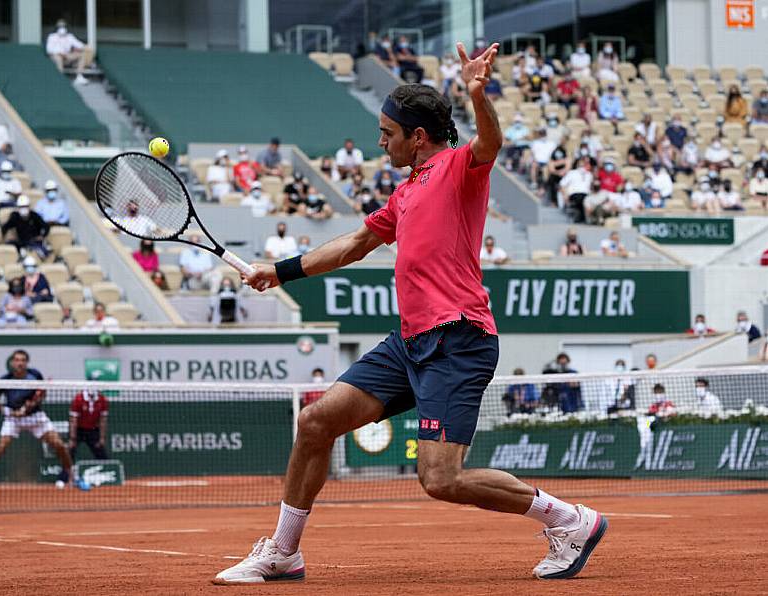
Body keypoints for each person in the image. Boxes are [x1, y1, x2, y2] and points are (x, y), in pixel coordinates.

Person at [216, 44, 607, 585]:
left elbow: (490, 141)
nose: (381, 141)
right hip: (409, 342)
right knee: (315, 422)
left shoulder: (458, 168)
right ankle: (283, 552)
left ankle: (569, 520)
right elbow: (353, 244)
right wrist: (277, 272)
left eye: (387, 132)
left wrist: (477, 92)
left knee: (440, 478)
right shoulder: (405, 192)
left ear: (417, 136)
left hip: (458, 339)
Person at [0, 350, 90, 495]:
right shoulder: (5, 380)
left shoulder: (35, 375)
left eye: (22, 360)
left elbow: (42, 393)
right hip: (13, 419)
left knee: (59, 445)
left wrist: (33, 404)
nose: (20, 363)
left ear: (26, 363)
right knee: (0, 447)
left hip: (35, 417)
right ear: (12, 363)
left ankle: (74, 478)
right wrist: (9, 412)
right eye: (16, 360)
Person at [68, 388, 109, 461]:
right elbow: (73, 421)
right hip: (79, 430)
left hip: (93, 430)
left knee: (101, 453)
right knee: (70, 451)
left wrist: (102, 437)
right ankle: (66, 471)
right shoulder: (78, 399)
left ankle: (105, 470)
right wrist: (72, 438)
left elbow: (103, 420)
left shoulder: (102, 399)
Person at [45, 19, 88, 85]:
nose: (62, 28)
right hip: (55, 56)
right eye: (60, 26)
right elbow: (49, 49)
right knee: (58, 57)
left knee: (82, 55)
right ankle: (60, 78)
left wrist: (86, 47)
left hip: (67, 56)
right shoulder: (52, 36)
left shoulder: (69, 36)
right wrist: (61, 53)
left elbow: (79, 45)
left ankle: (79, 77)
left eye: (63, 26)